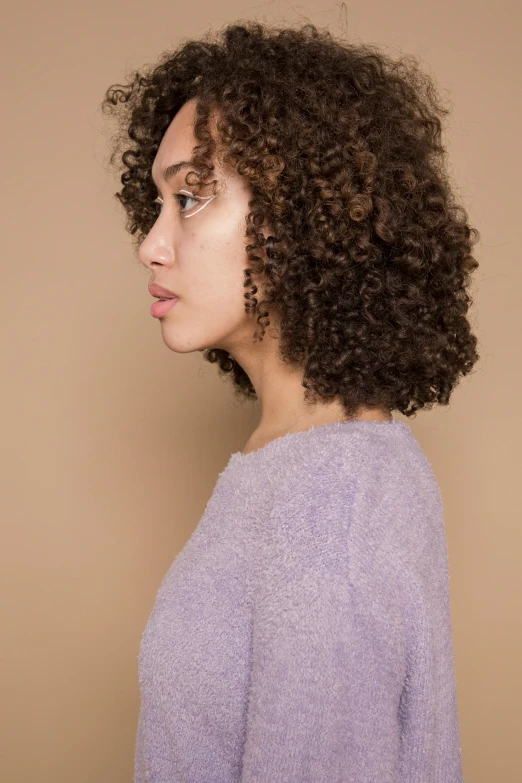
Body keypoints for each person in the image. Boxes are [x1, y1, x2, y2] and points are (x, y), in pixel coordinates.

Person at [101, 20, 479, 782]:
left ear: (300, 218)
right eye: (158, 203)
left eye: (191, 197)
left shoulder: (332, 492)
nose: (152, 242)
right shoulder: (298, 463)